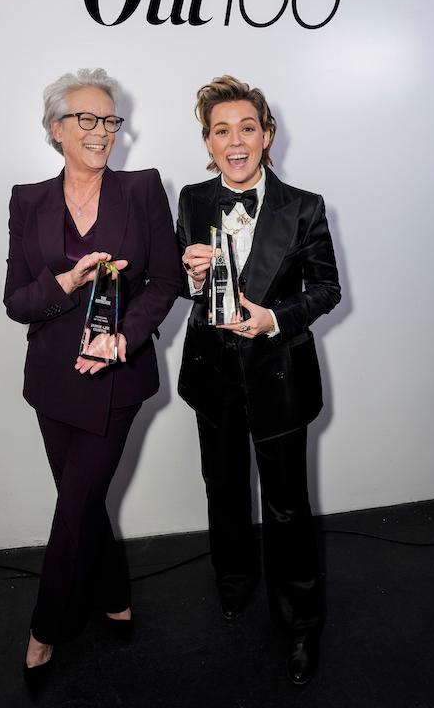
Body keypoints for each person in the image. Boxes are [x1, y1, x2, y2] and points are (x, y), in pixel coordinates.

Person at [4, 68, 181, 679]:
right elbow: (15, 301)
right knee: (82, 503)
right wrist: (65, 282)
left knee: (73, 503)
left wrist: (123, 338)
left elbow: (167, 280)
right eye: (87, 119)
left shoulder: (142, 188)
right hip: (52, 380)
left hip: (116, 378)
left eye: (109, 120)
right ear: (57, 129)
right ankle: (112, 595)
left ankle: (46, 624)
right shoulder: (28, 200)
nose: (102, 131)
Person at [176, 75, 341, 686]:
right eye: (222, 131)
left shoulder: (305, 206)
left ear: (267, 136)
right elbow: (182, 279)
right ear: (210, 142)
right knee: (222, 488)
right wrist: (191, 278)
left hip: (280, 376)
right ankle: (234, 583)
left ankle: (301, 622)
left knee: (288, 507)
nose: (236, 140)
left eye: (248, 128)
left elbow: (328, 288)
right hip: (212, 375)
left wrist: (275, 316)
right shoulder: (192, 199)